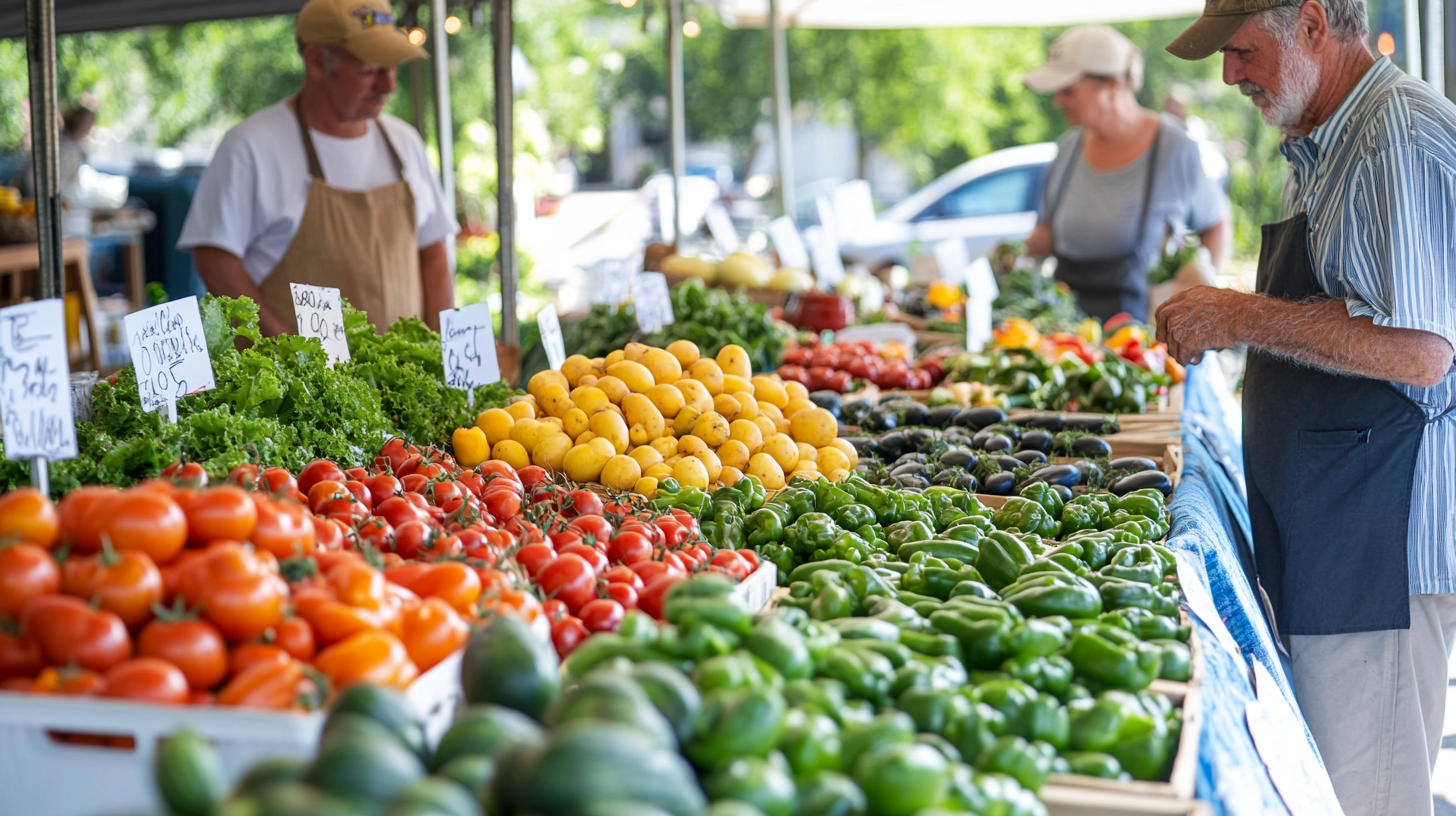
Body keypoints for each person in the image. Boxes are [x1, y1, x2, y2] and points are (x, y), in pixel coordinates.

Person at [1158, 2, 1456, 814]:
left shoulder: (1393, 136)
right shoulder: (1326, 140)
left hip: (1378, 550)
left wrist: (1237, 314)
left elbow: (1421, 350)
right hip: (1338, 527)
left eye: (1243, 49)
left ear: (1315, 23)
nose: (1229, 74)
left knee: (1371, 801)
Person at [179, 0, 455, 335]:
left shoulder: (404, 142)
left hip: (403, 383)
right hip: (298, 384)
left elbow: (433, 253)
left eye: (392, 68)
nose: (388, 86)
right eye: (369, 70)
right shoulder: (251, 146)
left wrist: (440, 353)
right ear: (317, 62)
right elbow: (214, 259)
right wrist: (287, 352)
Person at [1022, 26, 1230, 323]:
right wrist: (1008, 254)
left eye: (1068, 90)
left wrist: (1197, 300)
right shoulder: (1068, 149)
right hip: (1066, 336)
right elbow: (1048, 234)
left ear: (1113, 84)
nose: (1058, 101)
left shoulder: (1173, 149)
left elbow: (1215, 226)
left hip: (1142, 346)